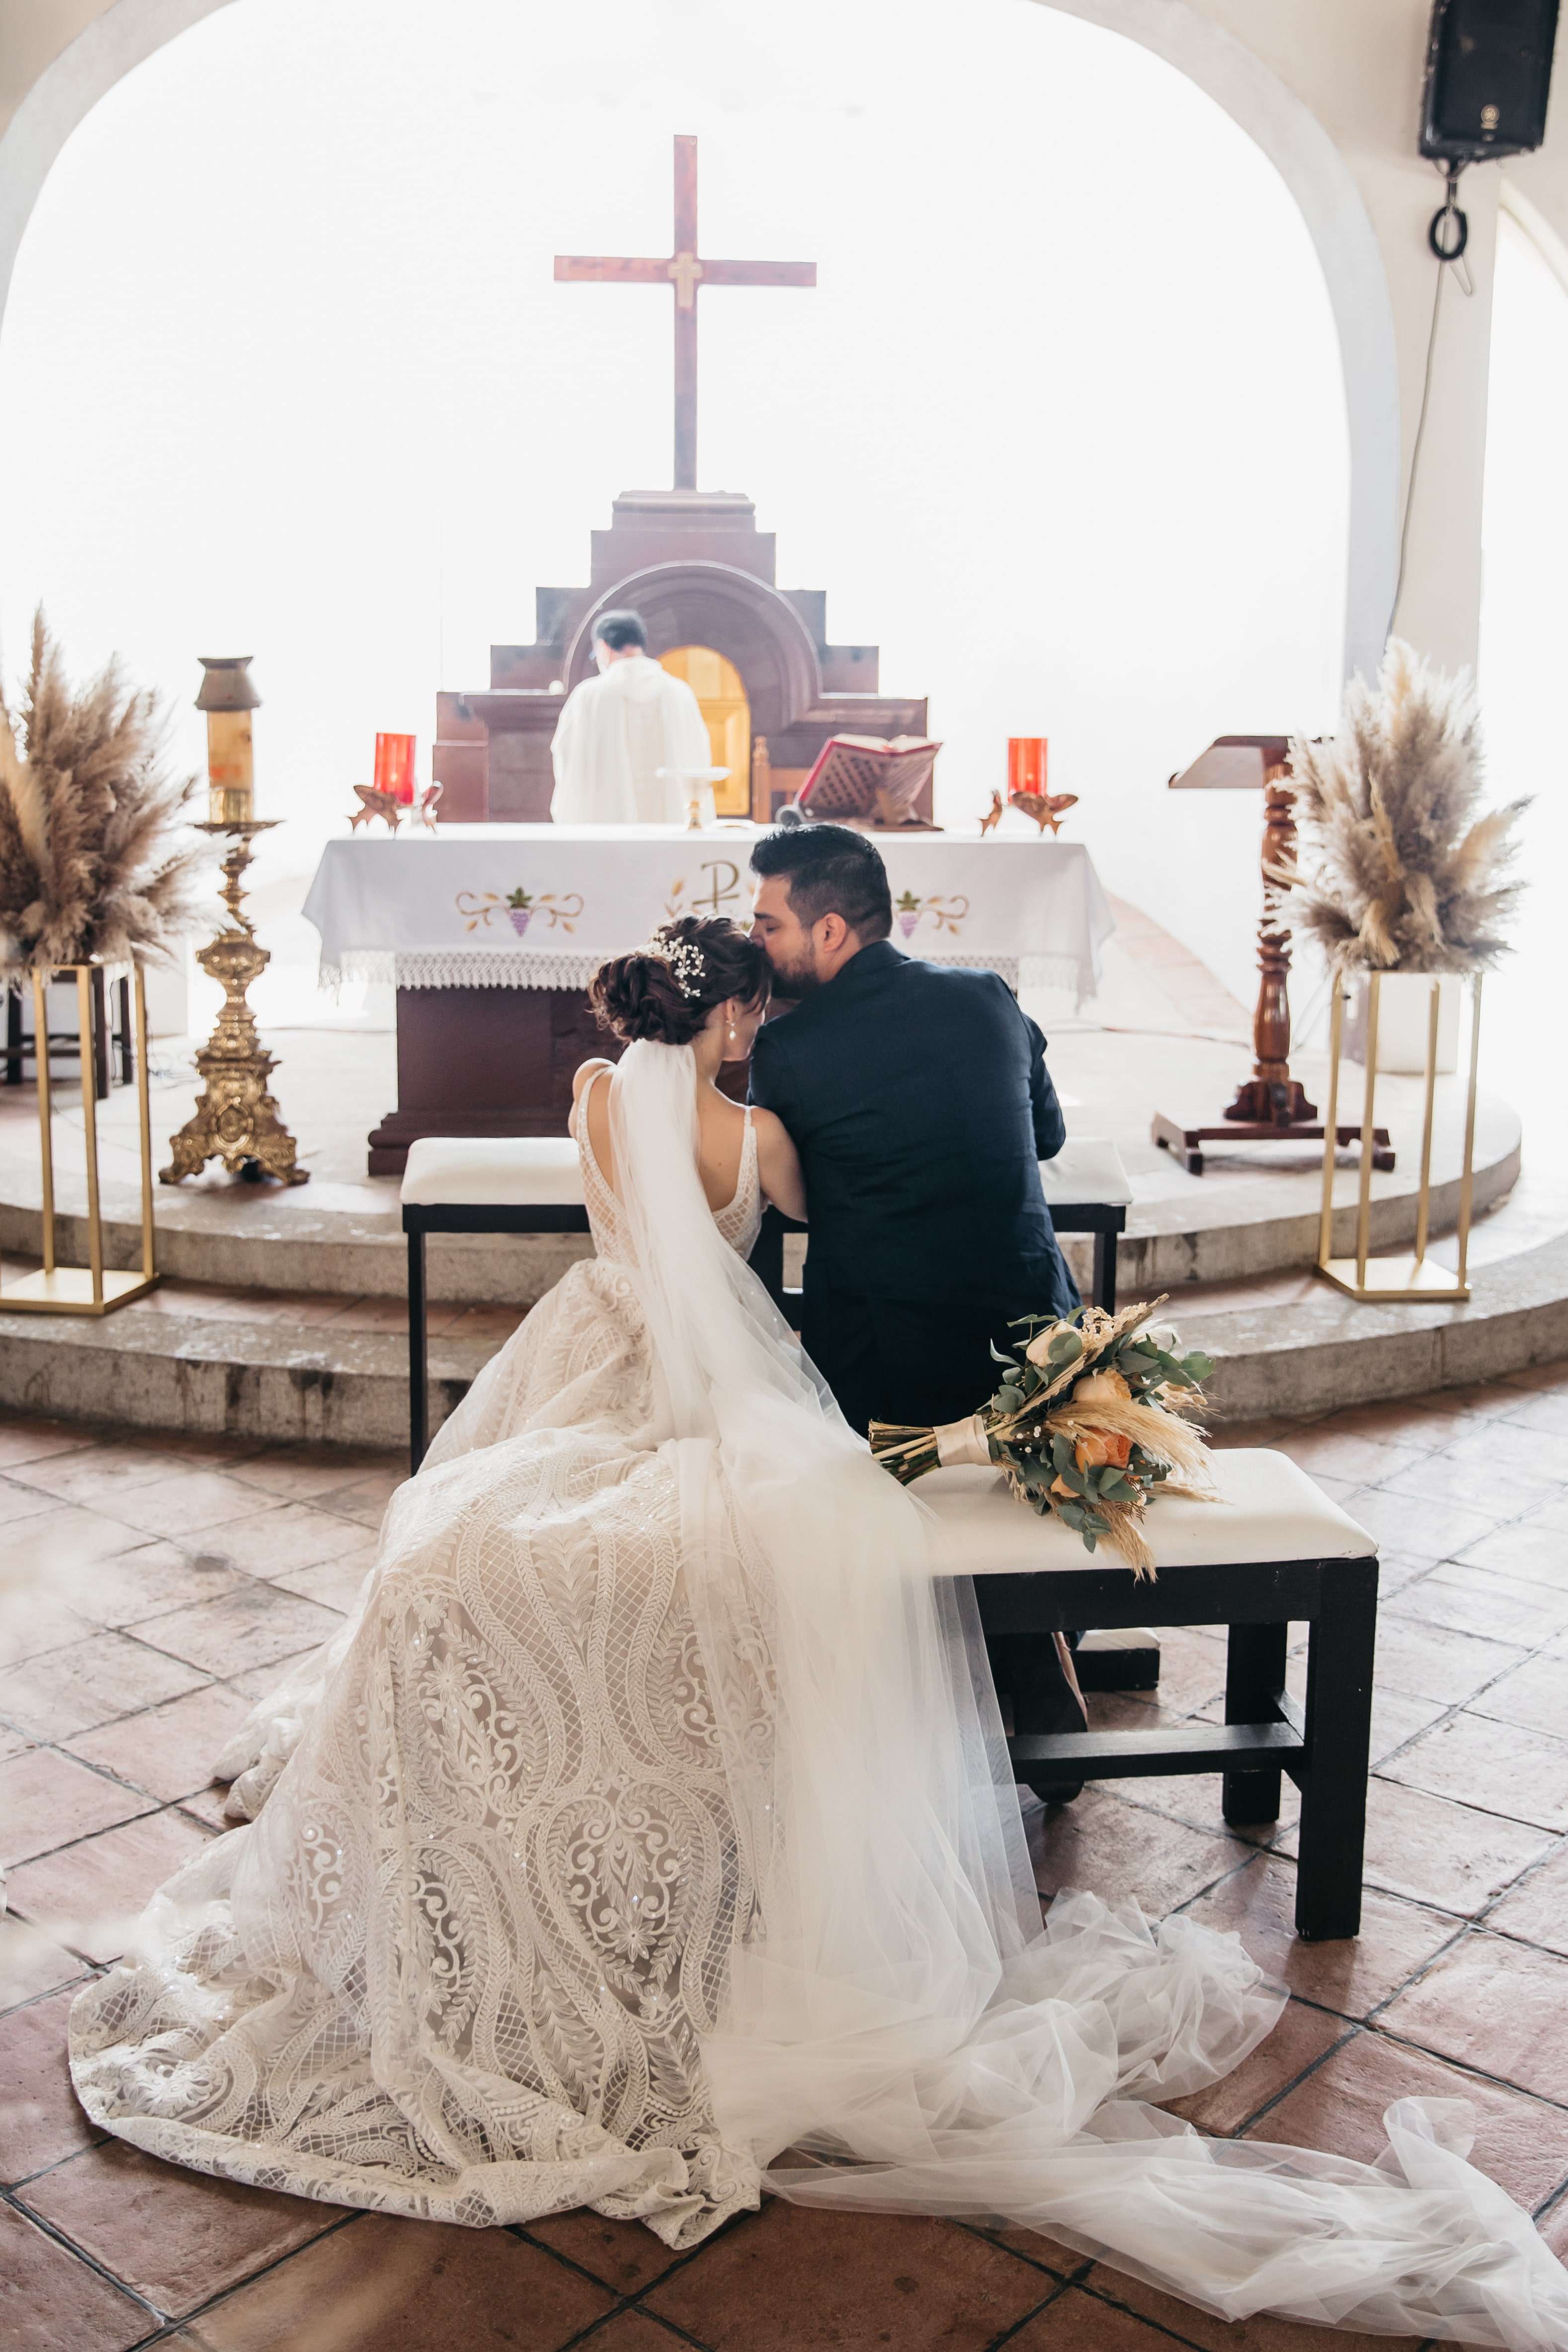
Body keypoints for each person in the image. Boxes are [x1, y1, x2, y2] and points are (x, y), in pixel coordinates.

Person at [68, 915, 1568, 2348]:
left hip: (583, 1361)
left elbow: (618, 1226)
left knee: (464, 1526)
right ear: (732, 1016)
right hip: (725, 1396)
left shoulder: (591, 1093)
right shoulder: (763, 1138)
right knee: (789, 1554)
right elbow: (796, 1256)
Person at [747, 819, 1090, 1782]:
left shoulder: (790, 1050)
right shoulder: (987, 997)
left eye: (770, 924)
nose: (760, 944)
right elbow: (1050, 1138)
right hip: (1038, 1353)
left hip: (888, 1371)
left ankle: (904, 1687)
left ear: (828, 933)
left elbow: (795, 1199)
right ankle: (1033, 1650)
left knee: (821, 1409)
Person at [549, 609, 715, 826]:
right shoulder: (680, 693)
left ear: (603, 648)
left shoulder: (589, 697)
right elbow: (699, 758)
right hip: (671, 834)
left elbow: (568, 760)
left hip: (607, 836)